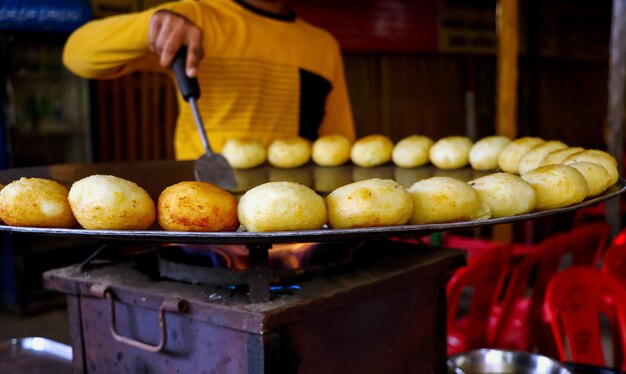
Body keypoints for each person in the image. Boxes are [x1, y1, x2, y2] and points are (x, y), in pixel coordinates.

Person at [63, 0, 356, 160]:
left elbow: (340, 141)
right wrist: (152, 24)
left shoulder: (322, 44)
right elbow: (77, 54)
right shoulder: (195, 17)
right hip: (206, 206)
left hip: (292, 212)